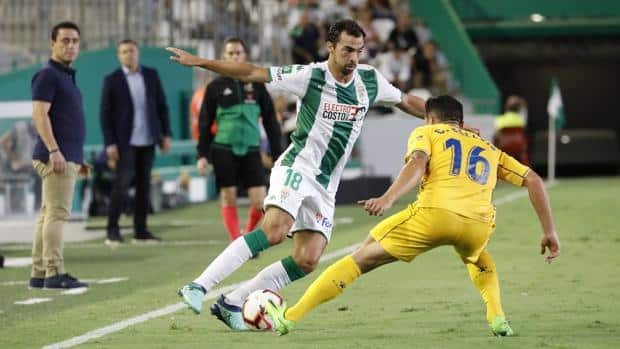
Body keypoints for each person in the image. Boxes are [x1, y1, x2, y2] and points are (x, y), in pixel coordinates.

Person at [167, 19, 426, 331]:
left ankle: (232, 301)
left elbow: (407, 101)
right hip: (297, 167)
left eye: (359, 51)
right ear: (330, 47)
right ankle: (198, 286)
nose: (354, 58)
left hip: (325, 184)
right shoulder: (309, 76)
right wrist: (202, 63)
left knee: (307, 259)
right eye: (347, 50)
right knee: (274, 230)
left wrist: (450, 121)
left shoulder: (369, 80)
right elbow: (251, 72)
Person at [265, 95, 561, 337]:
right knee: (477, 256)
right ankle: (498, 318)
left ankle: (289, 317)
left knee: (359, 260)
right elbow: (533, 179)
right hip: (478, 224)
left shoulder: (426, 132)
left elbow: (418, 163)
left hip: (433, 216)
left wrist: (387, 197)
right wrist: (549, 231)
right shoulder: (489, 147)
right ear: (460, 120)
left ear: (430, 118)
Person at [196, 37, 283, 242]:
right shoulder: (215, 87)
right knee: (228, 196)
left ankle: (247, 235)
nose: (235, 56)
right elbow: (204, 123)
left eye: (238, 53)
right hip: (223, 148)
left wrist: (278, 153)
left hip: (252, 149)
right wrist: (202, 154)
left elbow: (270, 121)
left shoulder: (258, 85)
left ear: (245, 56)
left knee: (259, 200)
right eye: (230, 53)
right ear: (223, 57)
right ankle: (236, 241)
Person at [29, 21, 90, 289]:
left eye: (75, 41)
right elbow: (40, 115)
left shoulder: (65, 76)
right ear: (52, 44)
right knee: (56, 214)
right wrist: (55, 150)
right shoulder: (48, 75)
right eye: (64, 40)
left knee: (47, 214)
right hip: (55, 156)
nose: (70, 45)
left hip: (66, 155)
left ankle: (40, 273)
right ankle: (55, 273)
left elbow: (66, 121)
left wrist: (77, 156)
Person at [100, 39, 172, 245]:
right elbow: (105, 115)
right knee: (121, 186)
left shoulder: (151, 75)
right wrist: (110, 143)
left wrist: (166, 134)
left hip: (148, 140)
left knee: (144, 187)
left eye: (131, 51)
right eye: (123, 52)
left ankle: (141, 231)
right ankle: (112, 230)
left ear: (137, 53)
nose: (128, 55)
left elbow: (162, 106)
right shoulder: (112, 80)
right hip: (125, 143)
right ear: (118, 55)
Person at [494, 95, 528, 164]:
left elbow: (496, 136)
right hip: (518, 151)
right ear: (518, 109)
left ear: (506, 107)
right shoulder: (521, 121)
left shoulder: (500, 120)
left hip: (503, 149)